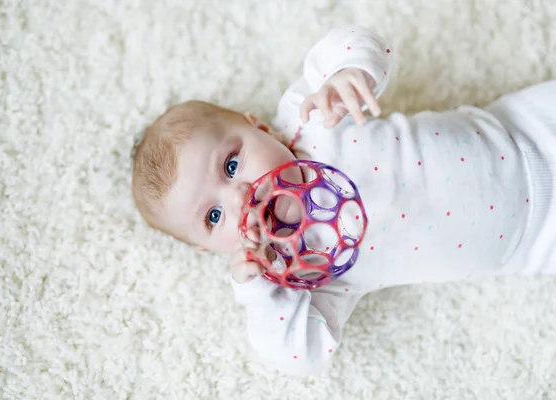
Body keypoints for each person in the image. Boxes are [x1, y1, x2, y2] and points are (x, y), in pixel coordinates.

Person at [131, 25, 556, 376]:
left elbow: (371, 42)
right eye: (214, 215)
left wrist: (348, 74)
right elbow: (301, 357)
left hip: (526, 127)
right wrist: (260, 294)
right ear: (211, 249)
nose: (241, 196)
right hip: (536, 241)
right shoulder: (309, 271)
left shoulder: (310, 116)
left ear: (259, 126)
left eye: (229, 165)